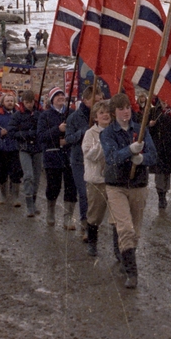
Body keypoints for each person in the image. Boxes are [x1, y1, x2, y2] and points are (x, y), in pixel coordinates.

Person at [100, 94, 158, 288]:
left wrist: (142, 159)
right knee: (125, 227)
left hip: (138, 185)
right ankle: (132, 273)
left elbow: (153, 156)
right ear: (114, 112)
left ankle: (125, 256)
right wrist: (130, 150)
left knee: (135, 231)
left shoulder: (141, 130)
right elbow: (111, 157)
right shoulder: (108, 133)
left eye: (127, 108)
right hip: (116, 185)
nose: (126, 112)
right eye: (121, 109)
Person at [38, 87, 78, 228]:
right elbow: (41, 136)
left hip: (69, 156)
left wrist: (68, 139)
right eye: (57, 95)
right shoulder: (45, 115)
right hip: (52, 155)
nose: (61, 97)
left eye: (62, 95)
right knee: (53, 187)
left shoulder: (72, 113)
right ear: (52, 99)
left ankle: (68, 218)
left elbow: (77, 132)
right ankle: (51, 211)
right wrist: (57, 131)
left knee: (71, 187)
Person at [82, 99, 112, 258]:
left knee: (116, 215)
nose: (105, 115)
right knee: (95, 214)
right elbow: (90, 155)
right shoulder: (90, 134)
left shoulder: (116, 130)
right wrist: (103, 141)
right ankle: (92, 242)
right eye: (101, 113)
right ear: (95, 117)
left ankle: (118, 249)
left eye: (107, 112)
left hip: (114, 180)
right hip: (96, 180)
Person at [65, 85, 95, 239]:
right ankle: (85, 224)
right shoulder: (74, 117)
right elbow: (68, 139)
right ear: (85, 100)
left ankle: (93, 224)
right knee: (84, 193)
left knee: (95, 195)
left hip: (96, 160)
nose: (97, 102)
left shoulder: (101, 116)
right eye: (93, 100)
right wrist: (83, 133)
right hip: (79, 160)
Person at [0, 92, 24, 206]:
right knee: (2, 173)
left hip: (15, 148)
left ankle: (15, 197)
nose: (10, 103)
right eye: (7, 101)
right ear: (2, 102)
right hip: (1, 148)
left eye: (11, 101)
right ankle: (3, 195)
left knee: (16, 173)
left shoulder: (19, 115)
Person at [147, 98, 171, 209]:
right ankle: (160, 195)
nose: (164, 101)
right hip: (157, 146)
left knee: (167, 172)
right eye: (162, 99)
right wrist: (150, 125)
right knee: (159, 172)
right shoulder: (153, 111)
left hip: (170, 147)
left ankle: (165, 191)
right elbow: (145, 129)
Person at [13, 89, 44, 217]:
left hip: (37, 148)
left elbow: (45, 128)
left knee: (36, 178)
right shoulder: (18, 115)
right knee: (28, 175)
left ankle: (34, 202)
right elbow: (12, 132)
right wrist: (26, 134)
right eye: (27, 102)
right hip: (24, 148)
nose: (29, 105)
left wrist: (40, 120)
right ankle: (29, 205)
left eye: (31, 102)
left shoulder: (40, 113)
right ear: (23, 102)